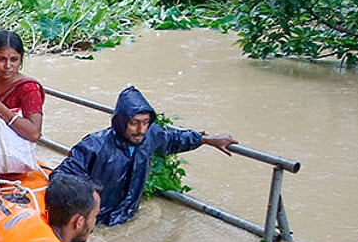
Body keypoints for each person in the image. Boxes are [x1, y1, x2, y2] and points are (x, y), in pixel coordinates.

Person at [50, 85, 237, 226]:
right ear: (121, 122)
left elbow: (174, 139)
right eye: (134, 123)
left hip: (128, 214)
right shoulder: (94, 146)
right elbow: (61, 177)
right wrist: (88, 198)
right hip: (97, 220)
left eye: (145, 122)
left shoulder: (150, 135)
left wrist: (206, 139)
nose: (140, 130)